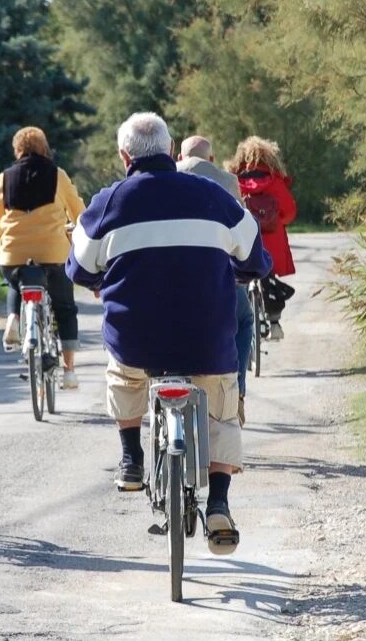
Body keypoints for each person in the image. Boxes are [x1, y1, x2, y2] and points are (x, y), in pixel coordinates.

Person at [66, 113, 271, 553]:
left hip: (137, 341)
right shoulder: (214, 197)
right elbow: (256, 258)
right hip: (206, 341)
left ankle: (131, 458)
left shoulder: (107, 203)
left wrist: (104, 281)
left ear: (124, 156)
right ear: (169, 146)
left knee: (123, 375)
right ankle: (218, 502)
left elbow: (78, 267)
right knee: (221, 407)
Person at [0, 126, 85, 388]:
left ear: (18, 150)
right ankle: (70, 371)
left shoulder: (5, 177)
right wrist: (76, 227)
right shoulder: (58, 175)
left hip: (13, 255)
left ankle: (13, 319)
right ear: (44, 148)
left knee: (16, 280)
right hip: (53, 254)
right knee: (64, 308)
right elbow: (78, 212)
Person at [177, 135, 253, 426]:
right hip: (219, 278)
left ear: (179, 157)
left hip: (172, 278)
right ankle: (239, 394)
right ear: (211, 159)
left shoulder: (166, 177)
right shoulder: (228, 181)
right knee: (244, 321)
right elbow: (240, 229)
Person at [226, 137, 297, 341]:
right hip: (271, 243)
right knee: (269, 278)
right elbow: (290, 212)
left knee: (237, 277)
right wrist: (277, 222)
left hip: (243, 242)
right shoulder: (275, 181)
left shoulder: (233, 179)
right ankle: (274, 322)